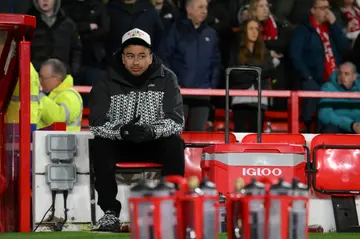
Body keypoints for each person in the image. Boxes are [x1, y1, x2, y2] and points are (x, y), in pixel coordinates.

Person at [89, 28, 185, 232]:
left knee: (175, 143)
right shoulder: (104, 80)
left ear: (151, 57)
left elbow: (176, 121)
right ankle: (109, 213)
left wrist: (152, 131)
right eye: (130, 56)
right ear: (122, 58)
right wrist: (122, 131)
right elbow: (96, 123)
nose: (136, 62)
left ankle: (171, 206)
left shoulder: (167, 78)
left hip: (153, 141)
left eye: (142, 56)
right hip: (120, 142)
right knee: (99, 144)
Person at [289, 0, 349, 129]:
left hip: (336, 82)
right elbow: (295, 55)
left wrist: (334, 25)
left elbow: (345, 49)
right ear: (313, 10)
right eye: (322, 8)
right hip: (315, 80)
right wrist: (308, 77)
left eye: (328, 8)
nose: (326, 12)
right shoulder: (304, 31)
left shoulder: (332, 29)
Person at [163, 0, 221, 131]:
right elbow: (165, 58)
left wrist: (211, 86)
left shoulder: (211, 34)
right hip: (179, 93)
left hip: (203, 94)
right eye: (200, 7)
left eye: (206, 7)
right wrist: (173, 83)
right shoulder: (175, 30)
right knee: (176, 134)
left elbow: (216, 63)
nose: (205, 11)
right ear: (189, 9)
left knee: (199, 136)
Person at [229, 20, 274, 132]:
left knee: (256, 135)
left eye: (257, 29)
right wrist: (256, 72)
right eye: (251, 28)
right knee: (240, 134)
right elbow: (234, 74)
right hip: (240, 97)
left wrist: (248, 68)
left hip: (260, 97)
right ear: (244, 31)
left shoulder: (264, 51)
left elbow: (269, 70)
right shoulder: (236, 50)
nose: (254, 32)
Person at [37, 59, 83, 131]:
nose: (40, 81)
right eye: (39, 77)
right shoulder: (50, 94)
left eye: (43, 78)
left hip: (64, 141)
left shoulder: (71, 96)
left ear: (57, 79)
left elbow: (59, 119)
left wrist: (39, 96)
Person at [318, 62, 360, 133]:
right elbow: (324, 115)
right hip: (338, 127)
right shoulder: (328, 88)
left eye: (346, 74)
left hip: (357, 127)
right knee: (329, 130)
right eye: (340, 73)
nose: (342, 77)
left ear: (354, 77)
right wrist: (351, 125)